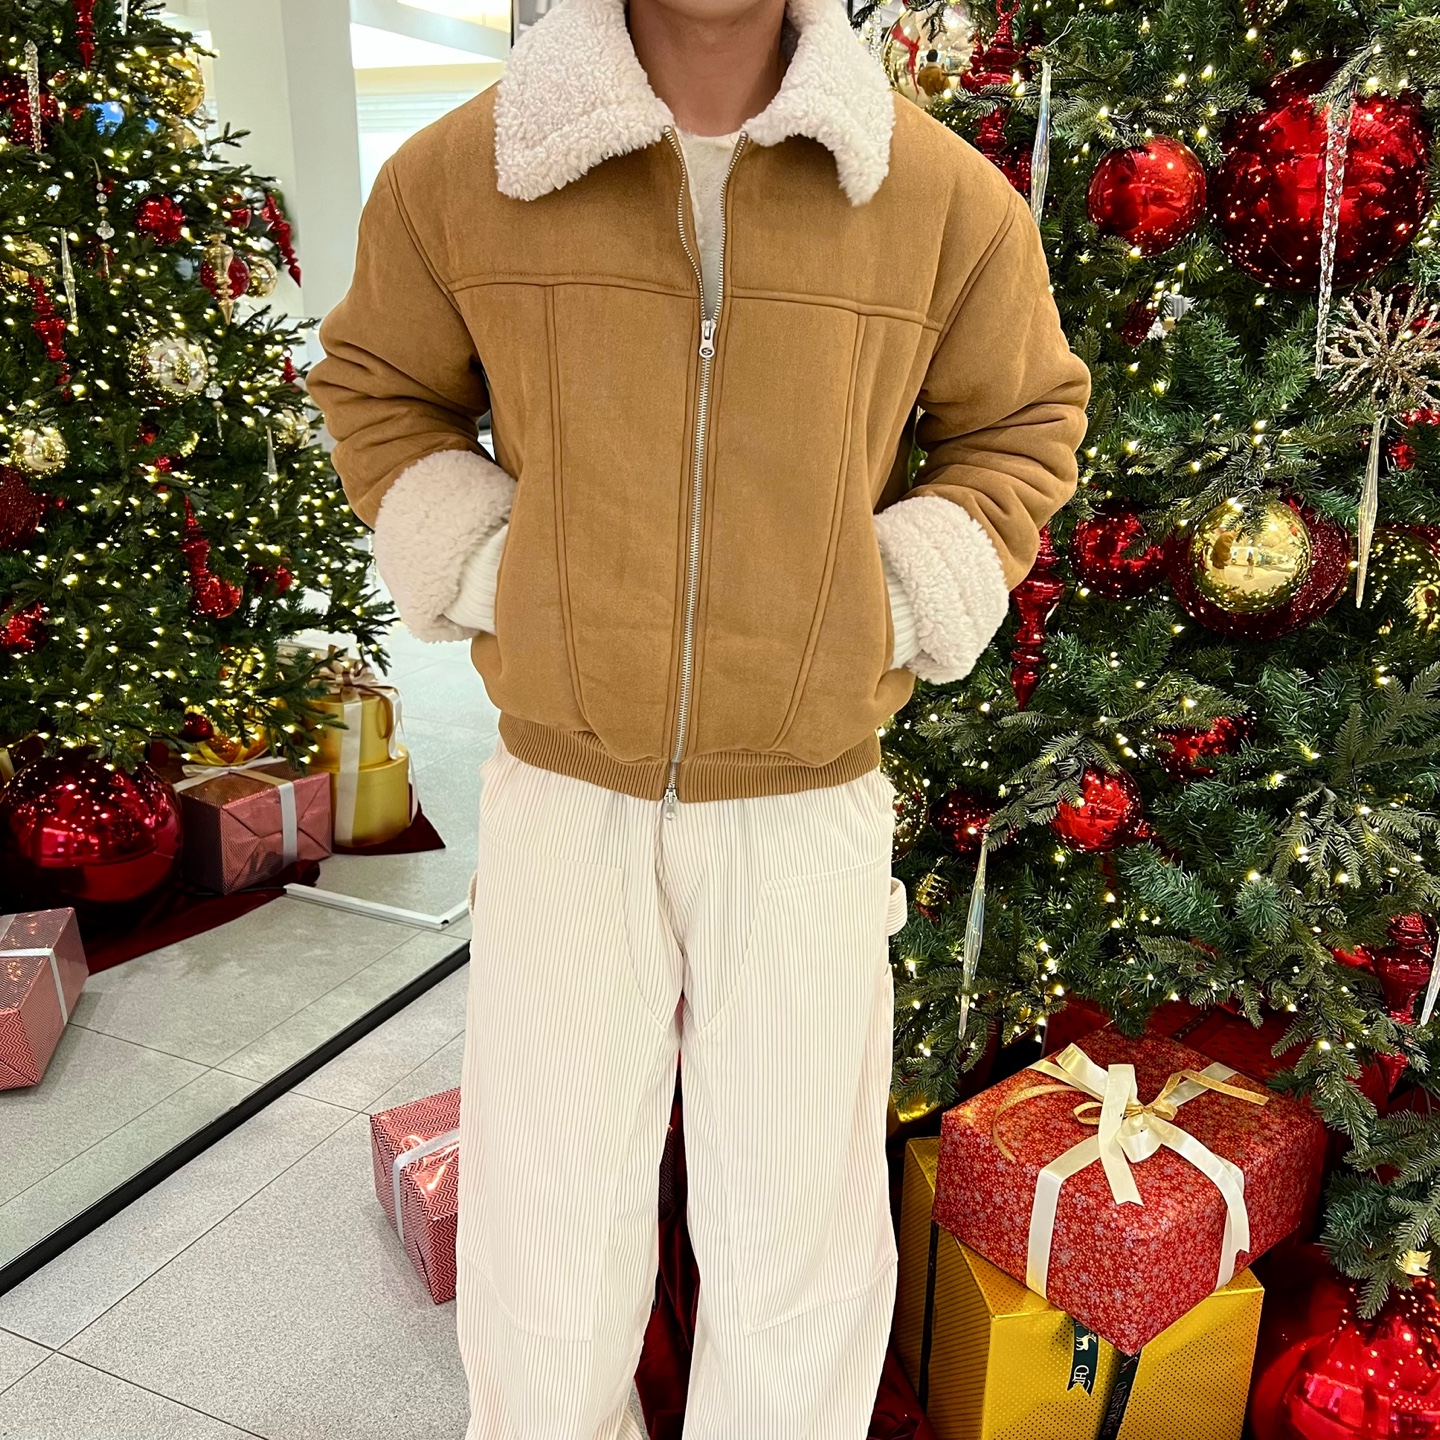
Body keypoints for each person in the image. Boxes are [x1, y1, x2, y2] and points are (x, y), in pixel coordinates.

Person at [310, 0, 1089, 1431]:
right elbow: (377, 390)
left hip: (805, 802)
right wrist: (493, 569)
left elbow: (1022, 426)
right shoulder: (466, 172)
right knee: (545, 1222)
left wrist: (886, 602)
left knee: (799, 1231)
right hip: (566, 794)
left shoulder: (935, 196)